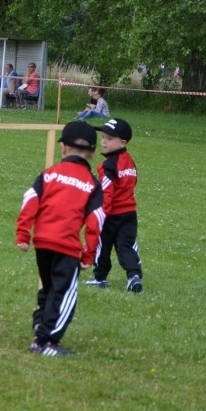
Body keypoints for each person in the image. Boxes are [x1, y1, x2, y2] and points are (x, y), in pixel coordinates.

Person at [15, 121, 104, 357]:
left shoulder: (49, 174)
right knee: (64, 294)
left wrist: (23, 233)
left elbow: (30, 200)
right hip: (66, 247)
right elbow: (96, 220)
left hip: (42, 243)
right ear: (93, 153)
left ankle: (40, 323)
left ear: (63, 148)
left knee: (50, 287)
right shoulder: (92, 184)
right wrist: (88, 254)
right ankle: (46, 342)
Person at [84, 118, 143, 293]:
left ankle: (99, 277)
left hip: (111, 214)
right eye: (103, 137)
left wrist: (102, 213)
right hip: (129, 213)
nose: (103, 142)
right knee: (127, 245)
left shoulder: (107, 165)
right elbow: (133, 181)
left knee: (103, 244)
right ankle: (134, 275)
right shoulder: (129, 160)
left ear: (123, 142)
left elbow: (106, 192)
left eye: (109, 138)